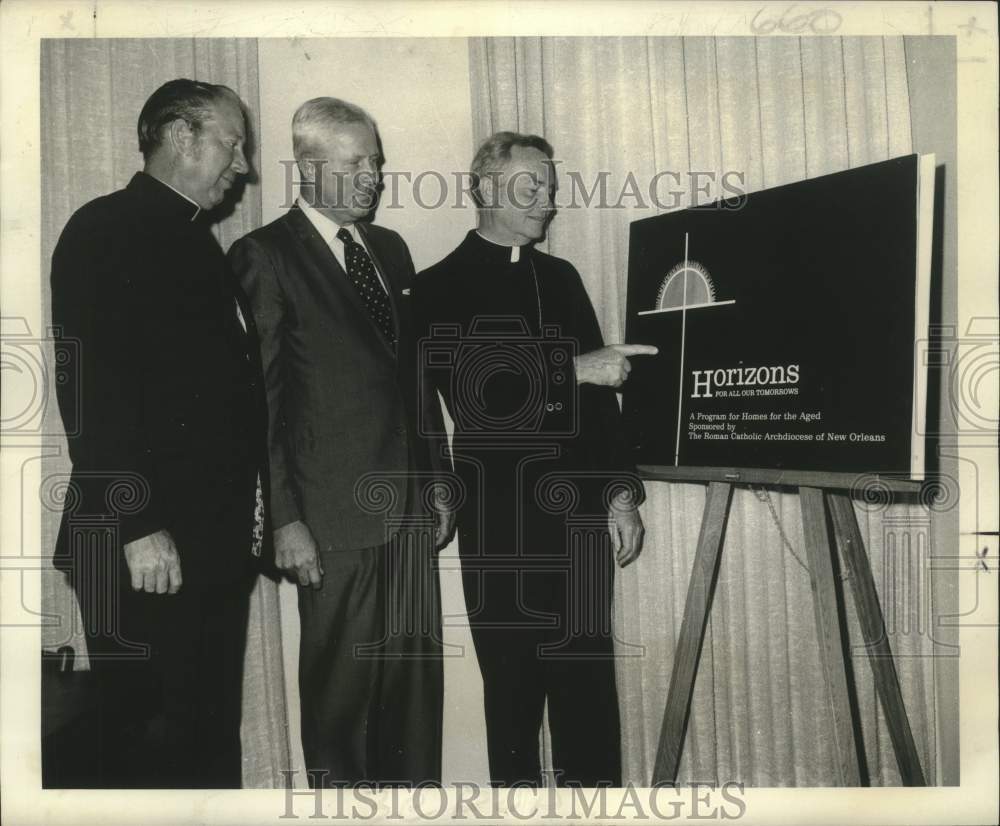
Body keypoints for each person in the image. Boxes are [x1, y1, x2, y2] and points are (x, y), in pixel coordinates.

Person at [411, 131, 655, 787]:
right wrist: (577, 367)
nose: (547, 201)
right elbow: (473, 393)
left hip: (577, 518)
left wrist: (622, 494)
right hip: (501, 521)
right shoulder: (434, 287)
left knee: (589, 699)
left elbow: (601, 402)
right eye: (530, 187)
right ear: (486, 188)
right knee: (513, 697)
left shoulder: (562, 276)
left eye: (549, 187)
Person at [228, 97, 454, 787]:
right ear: (309, 165)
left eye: (377, 162)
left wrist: (440, 478)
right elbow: (259, 405)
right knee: (344, 705)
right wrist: (284, 520)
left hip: (410, 511)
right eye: (358, 163)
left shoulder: (390, 249)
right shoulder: (263, 255)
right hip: (330, 521)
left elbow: (416, 379)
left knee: (414, 706)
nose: (375, 177)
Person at [50, 78, 268, 788]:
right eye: (232, 144)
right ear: (180, 136)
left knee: (203, 744)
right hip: (139, 545)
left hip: (203, 545)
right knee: (152, 754)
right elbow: (91, 387)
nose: (243, 165)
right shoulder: (107, 227)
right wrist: (138, 520)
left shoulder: (194, 240)